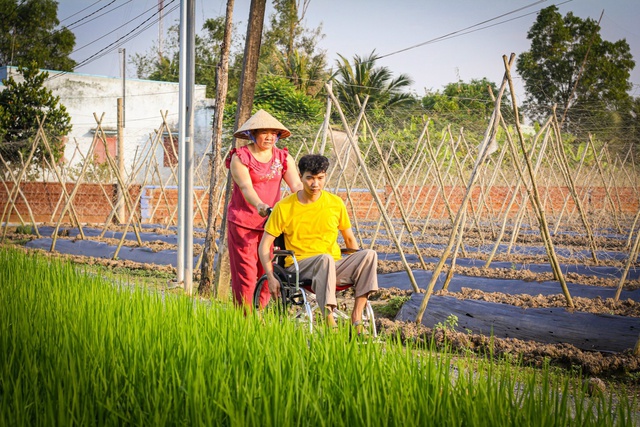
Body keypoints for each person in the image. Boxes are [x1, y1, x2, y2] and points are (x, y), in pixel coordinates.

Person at [258, 154, 378, 331]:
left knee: (369, 255)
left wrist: (357, 266)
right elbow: (263, 246)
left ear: (325, 177)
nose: (315, 184)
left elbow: (350, 240)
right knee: (325, 259)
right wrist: (270, 276)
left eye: (320, 178)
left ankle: (357, 317)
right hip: (300, 266)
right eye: (310, 178)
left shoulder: (335, 203)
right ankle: (330, 322)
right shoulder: (284, 207)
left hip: (332, 265)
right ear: (300, 177)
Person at [226, 109, 302, 307]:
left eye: (273, 133)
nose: (269, 137)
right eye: (264, 132)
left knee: (269, 272)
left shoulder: (283, 158)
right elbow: (246, 187)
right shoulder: (240, 157)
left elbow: (296, 186)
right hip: (245, 223)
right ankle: (245, 319)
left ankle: (259, 315)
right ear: (252, 134)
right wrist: (259, 204)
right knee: (247, 274)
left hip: (272, 224)